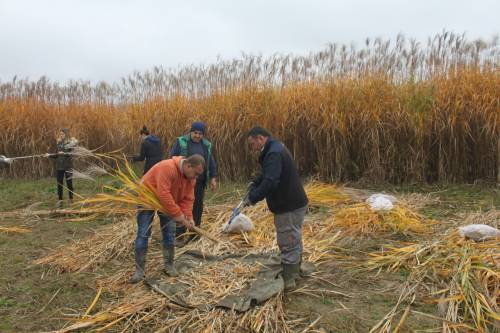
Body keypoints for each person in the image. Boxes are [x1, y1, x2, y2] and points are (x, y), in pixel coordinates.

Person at [244, 126, 308, 290]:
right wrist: (256, 182)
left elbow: (271, 181)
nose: (253, 149)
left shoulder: (273, 153)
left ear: (260, 138)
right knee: (294, 235)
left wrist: (253, 197)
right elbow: (268, 173)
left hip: (287, 204)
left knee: (287, 239)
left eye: (253, 144)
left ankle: (290, 278)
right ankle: (296, 269)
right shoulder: (276, 147)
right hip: (295, 201)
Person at [129, 154, 205, 284]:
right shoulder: (167, 167)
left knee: (169, 233)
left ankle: (169, 265)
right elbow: (163, 194)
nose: (196, 178)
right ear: (188, 165)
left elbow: (188, 199)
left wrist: (189, 217)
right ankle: (139, 270)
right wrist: (178, 216)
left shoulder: (190, 178)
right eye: (195, 173)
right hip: (148, 199)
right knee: (143, 233)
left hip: (168, 203)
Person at [169, 121, 217, 244]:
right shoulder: (181, 142)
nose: (197, 136)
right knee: (182, 206)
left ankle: (195, 235)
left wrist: (213, 177)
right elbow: (172, 158)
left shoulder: (206, 145)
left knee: (197, 206)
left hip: (199, 183)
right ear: (191, 132)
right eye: (195, 133)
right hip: (184, 182)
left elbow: (210, 161)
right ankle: (180, 235)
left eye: (200, 134)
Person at [46, 128, 74, 208]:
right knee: (59, 184)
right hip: (60, 167)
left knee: (69, 184)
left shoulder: (70, 143)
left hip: (68, 167)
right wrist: (49, 155)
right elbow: (56, 154)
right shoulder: (59, 143)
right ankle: (60, 200)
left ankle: (71, 199)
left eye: (63, 134)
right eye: (60, 134)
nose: (61, 135)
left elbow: (71, 154)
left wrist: (64, 153)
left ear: (66, 134)